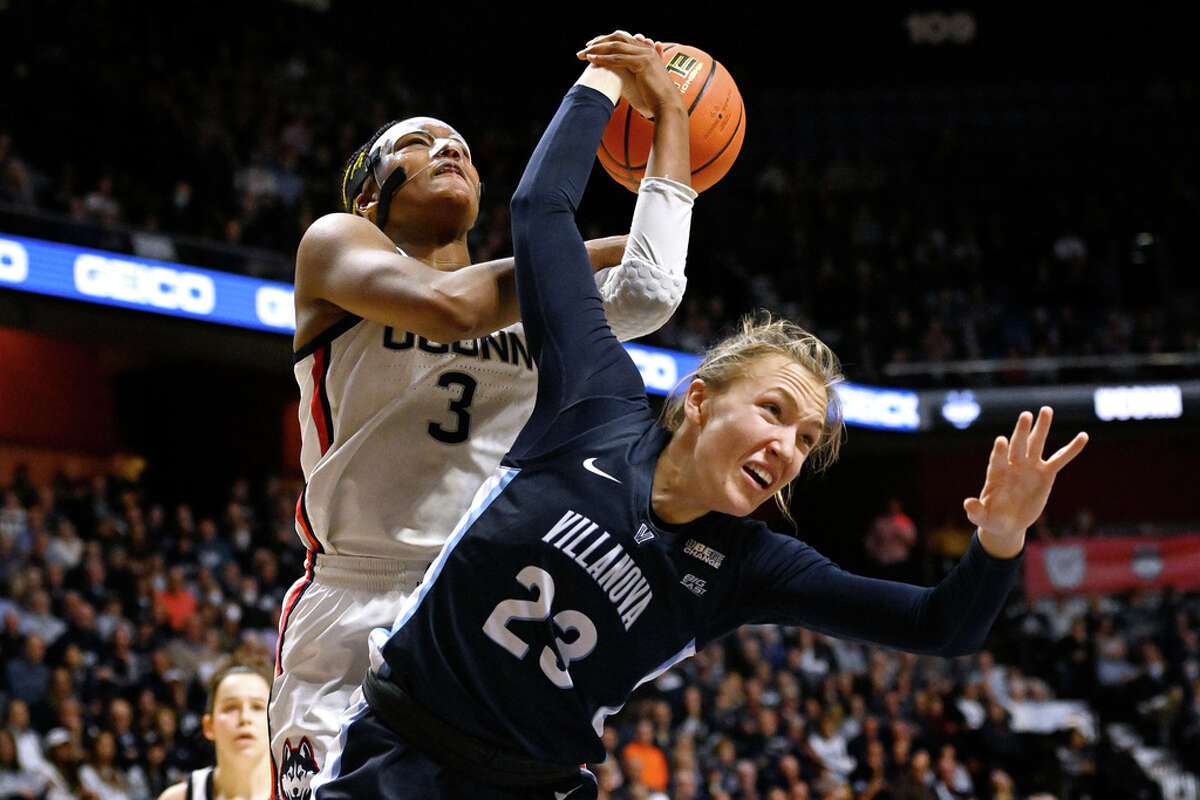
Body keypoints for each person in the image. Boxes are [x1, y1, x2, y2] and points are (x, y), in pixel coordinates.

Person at [313, 32, 1089, 800]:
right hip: (398, 746)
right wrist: (606, 79)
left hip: (535, 785)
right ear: (698, 398)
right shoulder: (595, 404)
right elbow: (539, 207)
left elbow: (940, 626)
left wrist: (1000, 540)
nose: (788, 447)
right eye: (776, 412)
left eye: (806, 441)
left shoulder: (750, 565)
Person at [270, 30, 696, 800]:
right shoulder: (335, 245)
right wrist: (568, 247)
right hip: (356, 589)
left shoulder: (526, 300)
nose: (448, 149)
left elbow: (652, 292)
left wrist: (672, 121)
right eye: (420, 143)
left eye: (461, 145)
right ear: (370, 194)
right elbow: (451, 306)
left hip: (476, 601)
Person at [156, 662, 272, 800]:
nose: (245, 718)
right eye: (231, 707)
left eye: (257, 707)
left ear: (275, 722)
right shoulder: (176, 798)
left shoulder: (298, 792)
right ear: (208, 726)